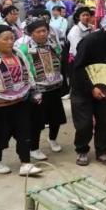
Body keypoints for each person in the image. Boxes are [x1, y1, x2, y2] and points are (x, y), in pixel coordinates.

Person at [0, 25, 42, 176]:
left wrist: (34, 90)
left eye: (12, 38)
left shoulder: (18, 54)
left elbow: (28, 73)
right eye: (6, 39)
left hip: (20, 102)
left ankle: (25, 163)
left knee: (24, 133)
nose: (10, 42)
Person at [71, 14, 106, 166]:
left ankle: (102, 152)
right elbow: (78, 68)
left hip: (102, 90)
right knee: (84, 124)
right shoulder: (89, 42)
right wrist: (91, 87)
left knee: (104, 122)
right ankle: (82, 150)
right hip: (82, 89)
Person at [19, 18, 67, 159]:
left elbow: (60, 59)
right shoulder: (24, 49)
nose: (42, 34)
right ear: (31, 33)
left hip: (55, 87)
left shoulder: (53, 44)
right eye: (38, 32)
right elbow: (24, 70)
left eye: (44, 31)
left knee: (56, 118)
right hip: (38, 90)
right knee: (36, 121)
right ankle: (34, 148)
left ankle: (53, 139)